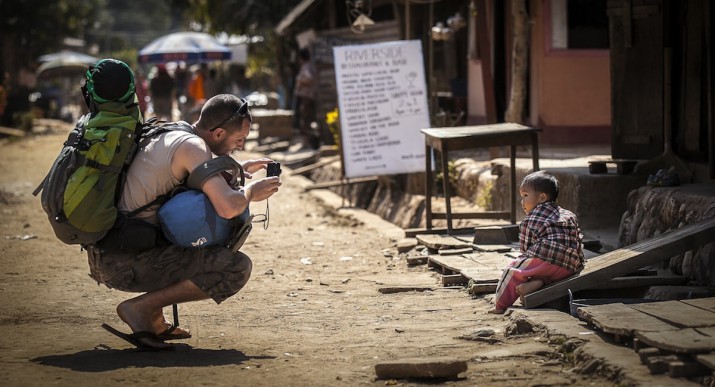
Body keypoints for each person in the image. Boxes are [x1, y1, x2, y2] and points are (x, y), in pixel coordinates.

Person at [84, 61, 281, 349]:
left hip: (110, 253)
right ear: (217, 134)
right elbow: (228, 207)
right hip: (123, 265)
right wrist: (250, 191)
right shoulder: (194, 148)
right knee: (236, 266)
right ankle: (140, 308)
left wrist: (235, 167)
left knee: (178, 220)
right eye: (239, 140)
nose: (240, 145)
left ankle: (153, 318)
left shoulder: (177, 131)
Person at [489, 171, 585, 314]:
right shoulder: (568, 214)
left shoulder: (530, 219)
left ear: (542, 197)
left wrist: (523, 265)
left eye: (525, 196)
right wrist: (579, 262)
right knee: (544, 268)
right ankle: (540, 281)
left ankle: (500, 305)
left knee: (514, 270)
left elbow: (525, 251)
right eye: (521, 196)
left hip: (545, 259)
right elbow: (577, 239)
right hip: (569, 266)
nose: (522, 201)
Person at [292, 48, 318, 150]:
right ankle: (307, 142)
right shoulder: (308, 66)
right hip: (307, 97)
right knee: (305, 121)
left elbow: (309, 78)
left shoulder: (306, 67)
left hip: (306, 98)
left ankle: (308, 143)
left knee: (305, 121)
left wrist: (301, 81)